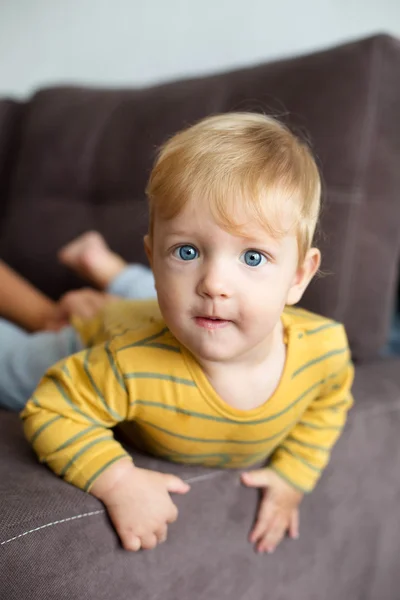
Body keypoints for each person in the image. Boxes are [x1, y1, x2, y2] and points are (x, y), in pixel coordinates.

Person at [21, 113, 354, 556]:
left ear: (298, 276)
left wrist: (295, 474)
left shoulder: (324, 352)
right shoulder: (127, 364)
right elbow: (50, 409)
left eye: (252, 257)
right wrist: (117, 478)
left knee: (191, 301)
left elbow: (329, 404)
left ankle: (105, 267)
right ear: (155, 258)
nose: (214, 280)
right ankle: (113, 274)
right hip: (101, 332)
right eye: (186, 249)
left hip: (171, 313)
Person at [0, 232, 156, 410]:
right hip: (102, 350)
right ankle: (108, 269)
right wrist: (47, 317)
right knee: (16, 362)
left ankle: (109, 269)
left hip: (139, 317)